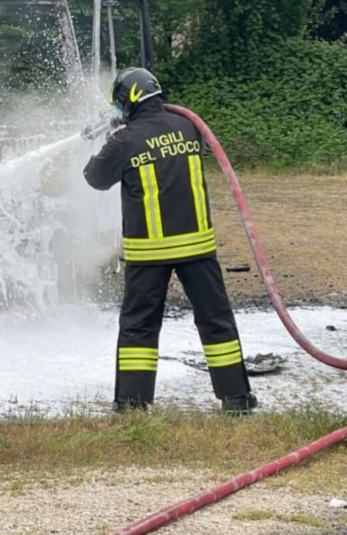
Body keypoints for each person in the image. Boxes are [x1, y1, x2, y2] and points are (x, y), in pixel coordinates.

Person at [83, 67, 257, 413]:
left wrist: (110, 137)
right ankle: (236, 399)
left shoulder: (124, 141)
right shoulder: (189, 127)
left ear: (126, 101)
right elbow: (163, 146)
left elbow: (95, 178)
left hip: (149, 253)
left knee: (139, 328)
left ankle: (132, 404)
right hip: (198, 248)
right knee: (215, 319)